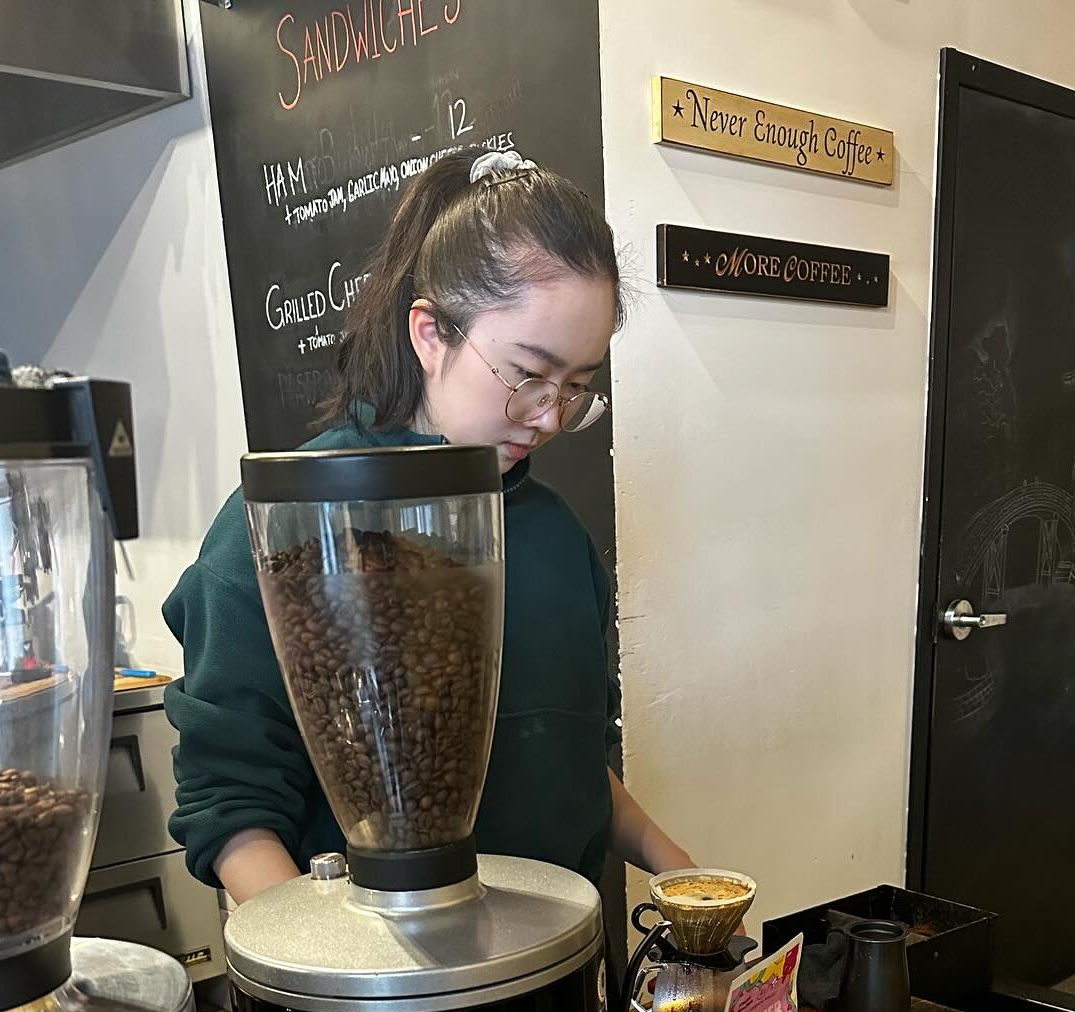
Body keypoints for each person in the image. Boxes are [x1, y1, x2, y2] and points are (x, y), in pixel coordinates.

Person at [163, 147, 689, 905]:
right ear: (430, 333)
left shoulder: (557, 540)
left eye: (574, 388)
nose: (547, 416)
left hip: (555, 970)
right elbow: (232, 806)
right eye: (526, 374)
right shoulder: (289, 527)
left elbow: (574, 762)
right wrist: (344, 979)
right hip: (371, 1000)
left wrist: (681, 872)